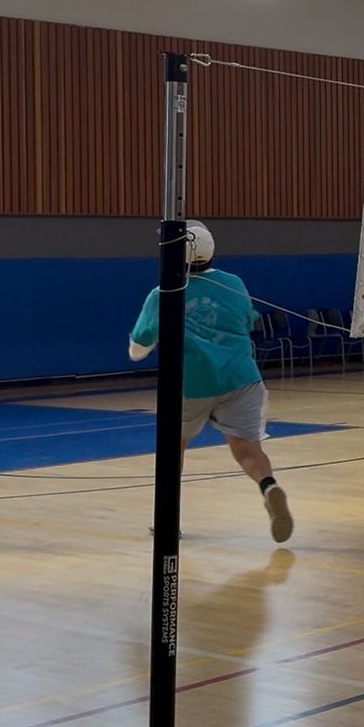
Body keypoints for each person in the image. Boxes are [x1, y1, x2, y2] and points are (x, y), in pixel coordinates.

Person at [129, 220, 293, 543]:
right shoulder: (234, 283)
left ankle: (167, 520)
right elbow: (247, 321)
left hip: (191, 384)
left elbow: (138, 349)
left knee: (173, 447)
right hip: (242, 378)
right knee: (247, 450)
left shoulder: (163, 292)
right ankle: (268, 486)